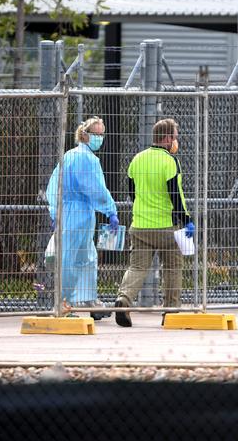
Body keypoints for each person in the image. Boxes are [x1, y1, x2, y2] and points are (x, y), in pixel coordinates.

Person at [115, 118, 194, 327]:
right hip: (167, 227)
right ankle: (170, 311)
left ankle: (123, 299)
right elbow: (176, 194)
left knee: (137, 267)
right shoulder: (170, 161)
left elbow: (131, 192)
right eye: (175, 137)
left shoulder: (137, 159)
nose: (176, 141)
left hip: (140, 225)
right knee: (173, 268)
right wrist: (186, 220)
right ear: (167, 138)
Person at [46, 117, 119, 320]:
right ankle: (64, 303)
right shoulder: (87, 159)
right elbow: (94, 188)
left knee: (86, 257)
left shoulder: (69, 155)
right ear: (85, 135)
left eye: (102, 134)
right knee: (71, 260)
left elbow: (54, 186)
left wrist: (54, 211)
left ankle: (88, 299)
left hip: (71, 212)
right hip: (78, 214)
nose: (100, 138)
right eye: (96, 134)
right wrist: (110, 209)